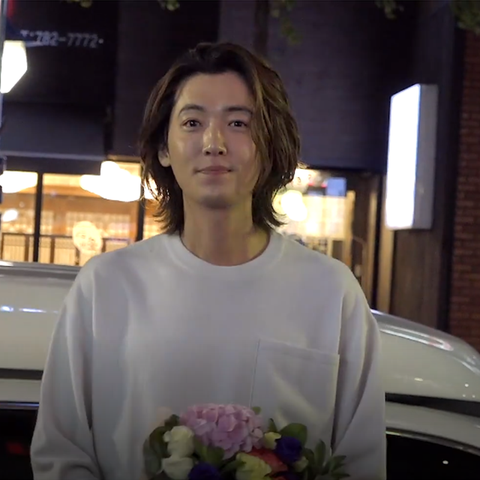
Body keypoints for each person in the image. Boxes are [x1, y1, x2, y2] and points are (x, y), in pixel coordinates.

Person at [30, 42, 386, 480]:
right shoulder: (106, 285)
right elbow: (60, 452)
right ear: (164, 148)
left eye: (238, 123)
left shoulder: (330, 291)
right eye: (192, 123)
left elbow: (362, 461)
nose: (214, 143)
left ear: (269, 145)